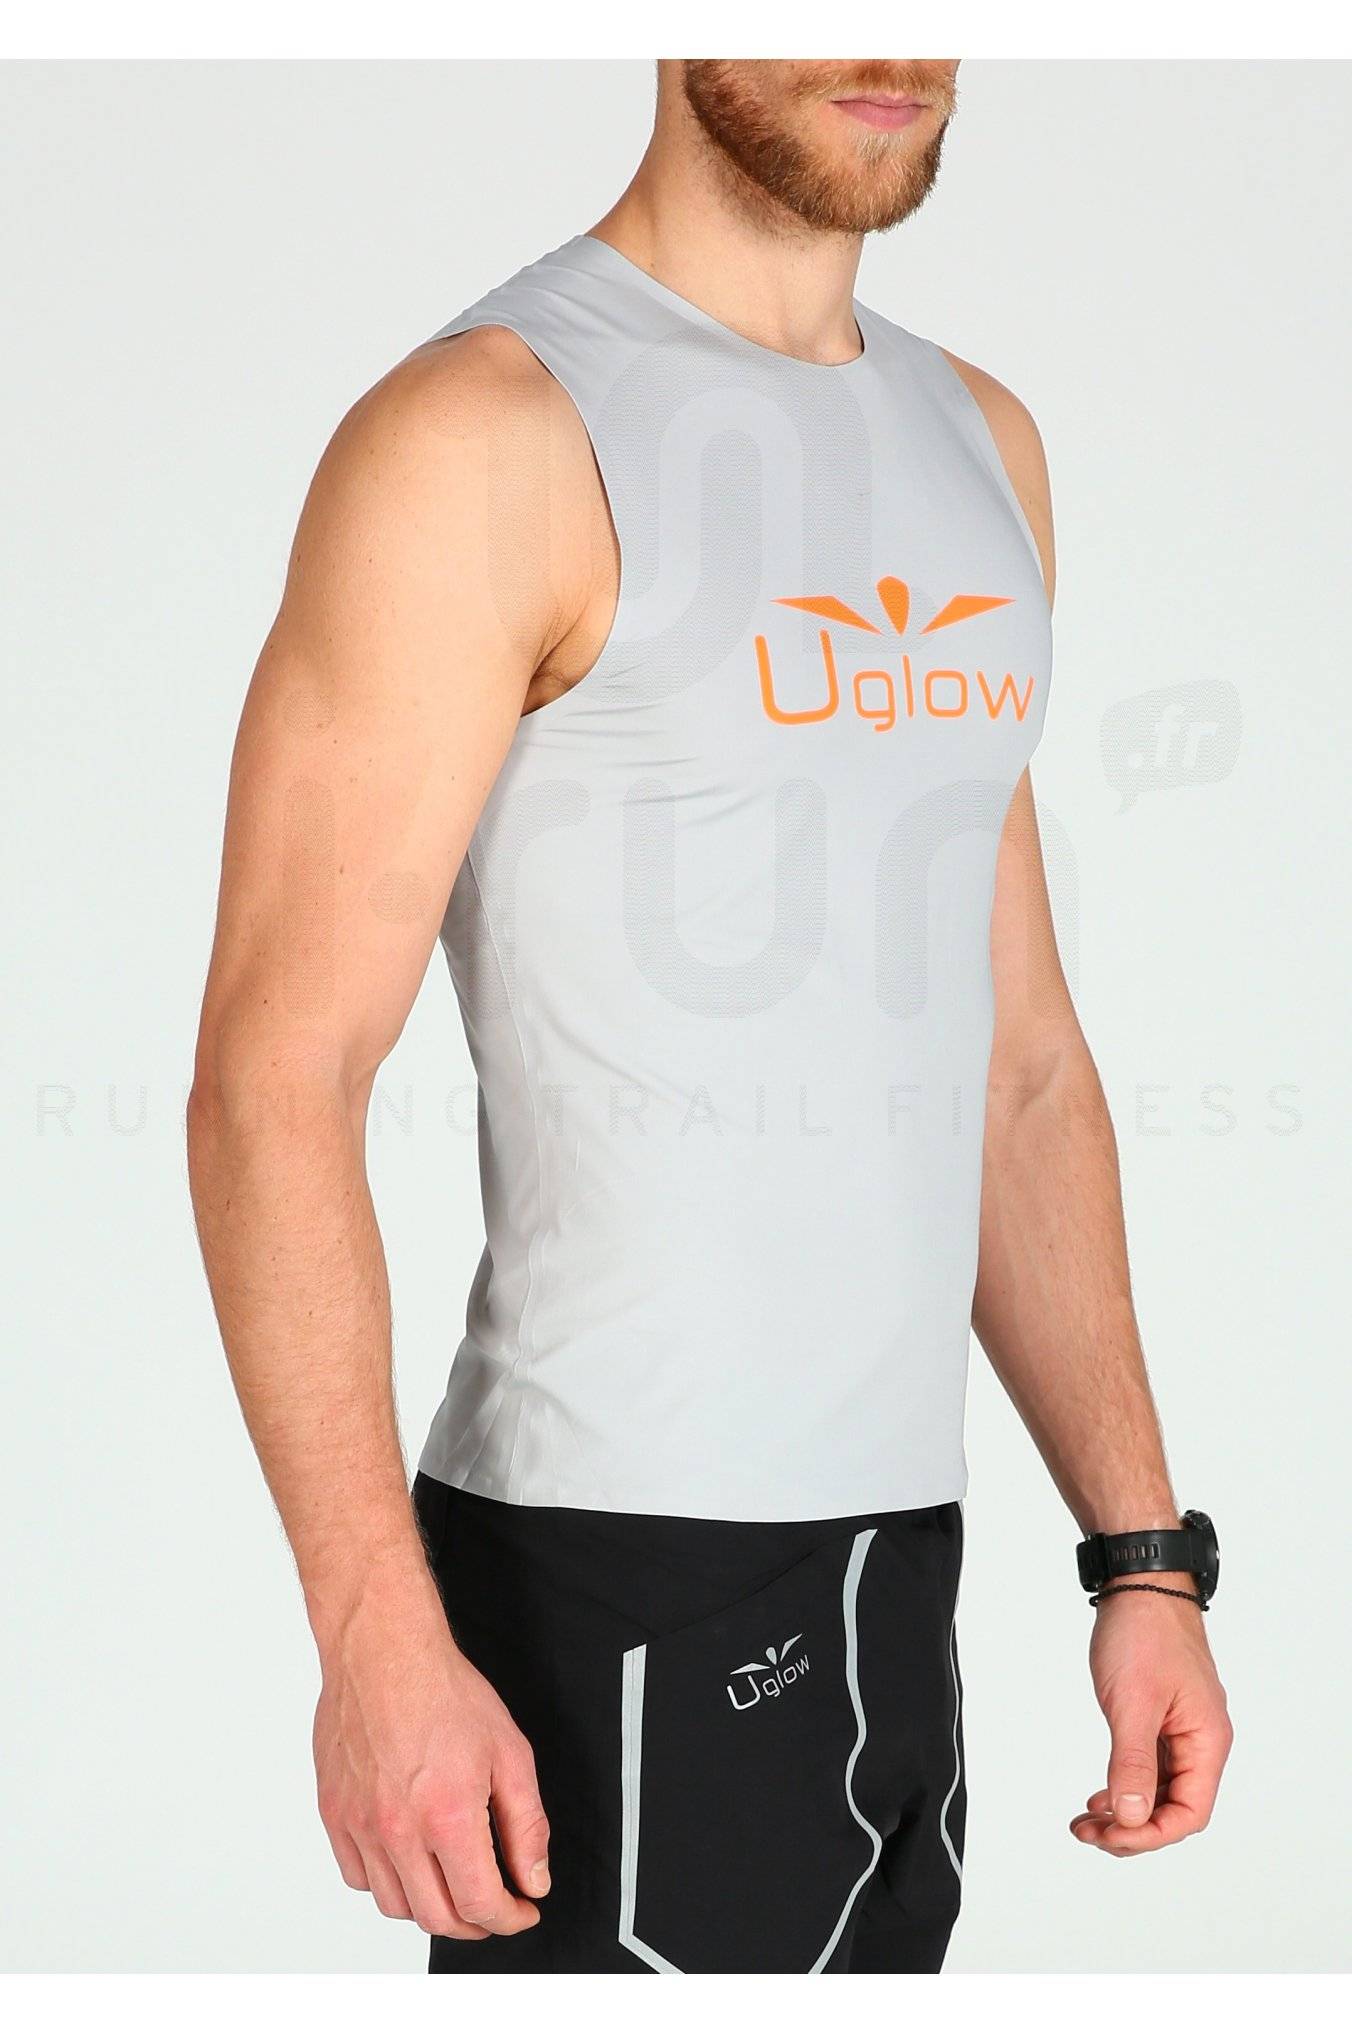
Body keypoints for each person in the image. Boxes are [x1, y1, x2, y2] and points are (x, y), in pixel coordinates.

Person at [187, 59, 1233, 1973]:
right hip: (610, 1570)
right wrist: (374, 1638)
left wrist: (1142, 1552)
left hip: (902, 1552)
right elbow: (278, 1072)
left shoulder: (982, 440)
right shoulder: (487, 431)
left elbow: (1013, 1066)